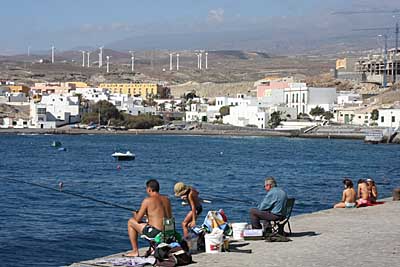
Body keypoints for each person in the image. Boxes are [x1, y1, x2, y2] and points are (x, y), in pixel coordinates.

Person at [126, 179, 172, 257]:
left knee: (131, 222)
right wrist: (148, 216)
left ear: (149, 189)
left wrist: (135, 214)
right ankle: (153, 248)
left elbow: (137, 219)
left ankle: (135, 251)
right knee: (149, 225)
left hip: (157, 233)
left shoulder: (147, 200)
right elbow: (163, 216)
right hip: (169, 231)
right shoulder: (166, 199)